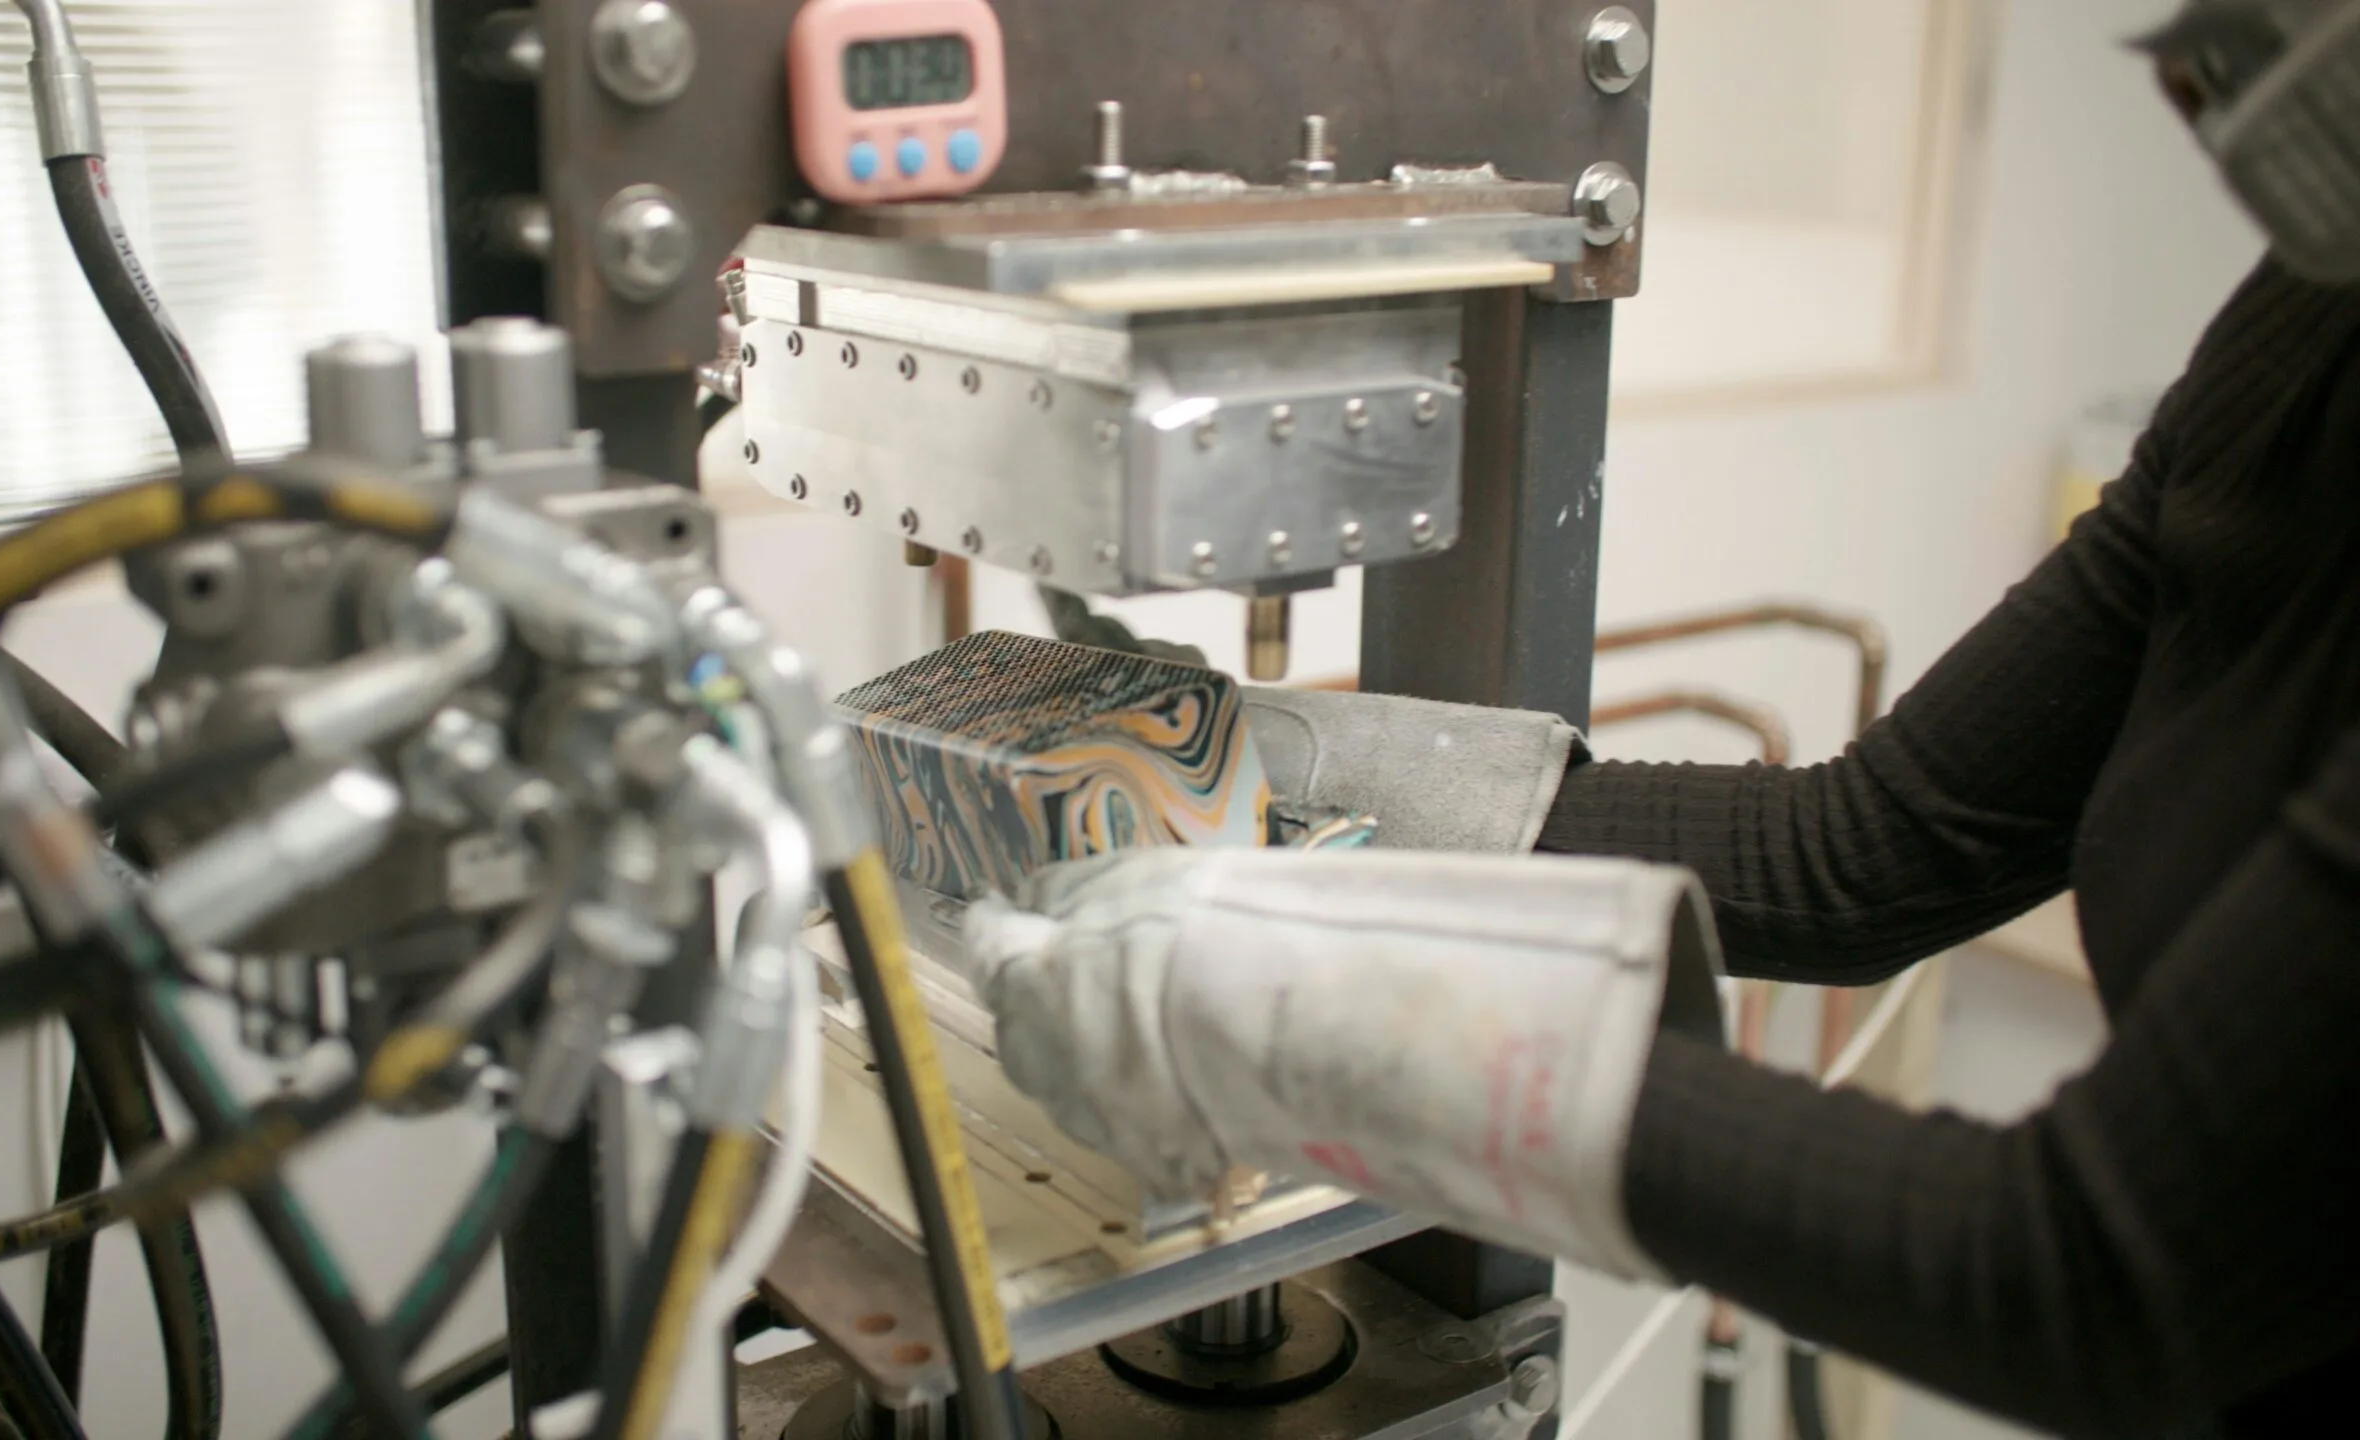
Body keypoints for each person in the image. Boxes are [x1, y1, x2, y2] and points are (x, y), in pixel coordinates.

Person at [959, 4, 2360, 1435]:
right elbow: (1868, 851)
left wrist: (1310, 1035)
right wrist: (1275, 766)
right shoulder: (2309, 315)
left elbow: (2095, 1281)